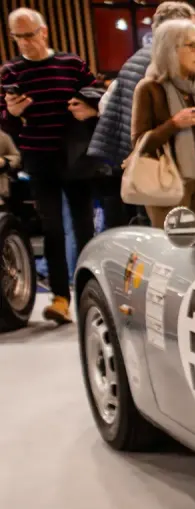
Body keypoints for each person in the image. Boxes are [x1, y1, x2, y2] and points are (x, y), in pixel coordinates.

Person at [0, 7, 97, 324]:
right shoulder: (10, 71)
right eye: (18, 37)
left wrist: (89, 109)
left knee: (84, 227)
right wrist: (13, 114)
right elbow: (5, 123)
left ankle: (90, 291)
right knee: (52, 229)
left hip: (74, 155)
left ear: (43, 32)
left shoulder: (71, 63)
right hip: (38, 157)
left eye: (29, 35)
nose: (25, 43)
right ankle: (60, 298)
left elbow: (97, 97)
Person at [89, 2, 195, 229]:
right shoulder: (163, 64)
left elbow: (108, 104)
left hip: (131, 157)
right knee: (167, 229)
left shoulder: (137, 57)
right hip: (155, 160)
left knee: (145, 223)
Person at [131, 19, 195, 226]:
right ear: (170, 50)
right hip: (167, 184)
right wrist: (174, 124)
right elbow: (139, 144)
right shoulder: (149, 88)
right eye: (192, 46)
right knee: (172, 243)